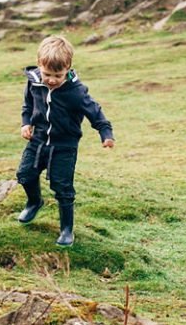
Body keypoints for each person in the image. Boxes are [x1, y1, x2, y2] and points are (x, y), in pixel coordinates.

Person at [16, 32, 114, 249]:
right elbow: (28, 105)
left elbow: (94, 112)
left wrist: (105, 133)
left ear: (68, 68)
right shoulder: (34, 83)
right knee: (24, 174)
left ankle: (66, 229)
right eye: (47, 74)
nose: (51, 80)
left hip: (64, 146)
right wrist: (26, 123)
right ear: (39, 64)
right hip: (38, 140)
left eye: (58, 75)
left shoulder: (76, 92)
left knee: (62, 187)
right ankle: (34, 202)